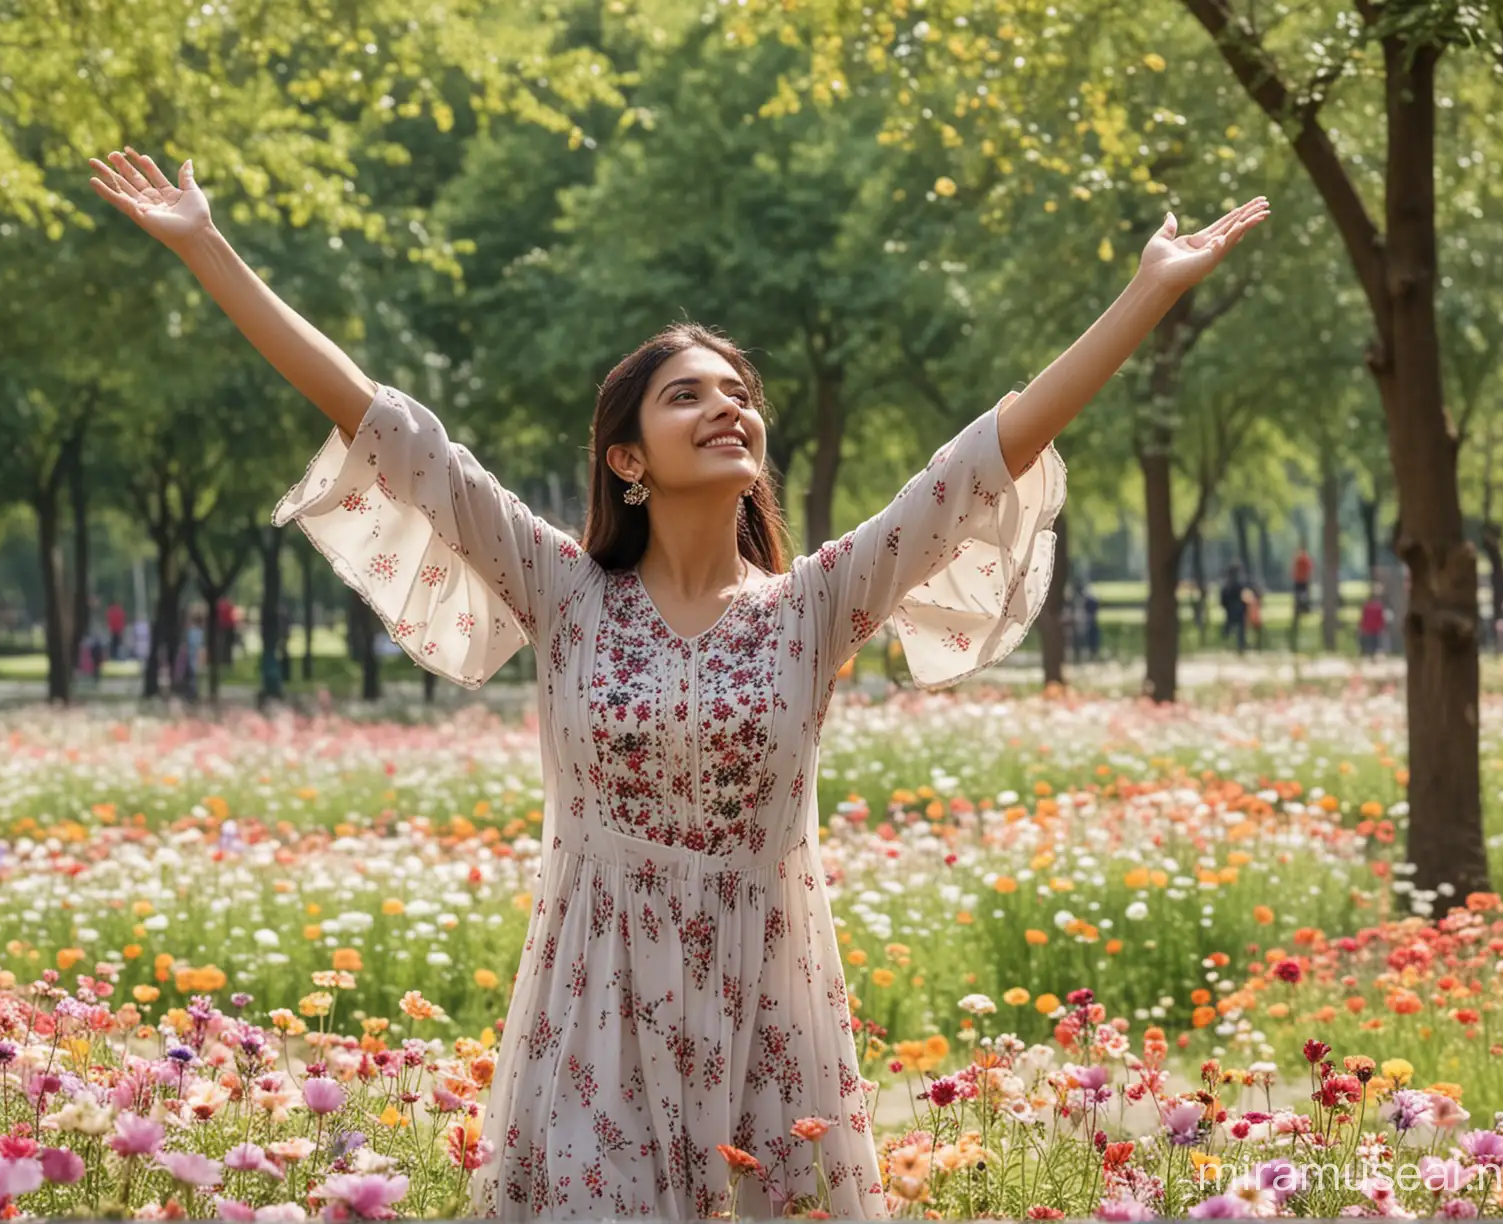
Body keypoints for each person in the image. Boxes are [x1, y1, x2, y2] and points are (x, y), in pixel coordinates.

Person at [92, 142, 1265, 1217]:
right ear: (626, 457)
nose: (727, 405)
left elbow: (983, 459)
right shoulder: (562, 592)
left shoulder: (816, 606)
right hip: (590, 1003)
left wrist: (1149, 288)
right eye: (688, 393)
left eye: (738, 391)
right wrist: (207, 246)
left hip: (772, 1001)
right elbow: (389, 428)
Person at [1220, 564, 1249, 654]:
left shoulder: (1226, 585)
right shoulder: (1239, 584)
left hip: (1230, 609)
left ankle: (1225, 642)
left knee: (1229, 626)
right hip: (1238, 609)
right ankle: (1240, 646)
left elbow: (1223, 599)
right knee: (1240, 629)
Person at [1359, 588, 1387, 659]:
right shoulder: (1379, 606)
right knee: (1375, 642)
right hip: (1376, 628)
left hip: (1368, 627)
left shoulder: (1366, 606)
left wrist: (1362, 626)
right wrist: (1383, 627)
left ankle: (1369, 654)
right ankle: (1373, 655)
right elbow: (1381, 618)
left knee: (1369, 642)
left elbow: (1363, 617)